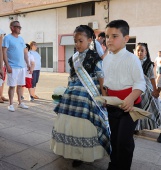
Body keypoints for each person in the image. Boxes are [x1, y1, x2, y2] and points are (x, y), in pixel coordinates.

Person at [50, 25, 111, 167]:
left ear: (90, 40)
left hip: (89, 95)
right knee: (69, 121)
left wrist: (103, 95)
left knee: (86, 123)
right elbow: (71, 76)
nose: (77, 44)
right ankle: (73, 152)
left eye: (80, 41)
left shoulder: (95, 57)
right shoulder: (73, 58)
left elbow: (101, 76)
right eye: (75, 41)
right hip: (73, 94)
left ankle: (85, 153)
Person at [103, 20, 146, 170]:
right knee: (114, 138)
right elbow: (106, 83)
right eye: (107, 36)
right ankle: (114, 164)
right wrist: (104, 96)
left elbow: (140, 84)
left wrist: (130, 98)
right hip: (113, 105)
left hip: (130, 106)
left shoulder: (132, 59)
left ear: (126, 39)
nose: (109, 40)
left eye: (114, 36)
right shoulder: (106, 59)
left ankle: (123, 167)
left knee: (124, 141)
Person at [2, 21, 29, 112]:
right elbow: (4, 52)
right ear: (12, 28)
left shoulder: (21, 39)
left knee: (20, 85)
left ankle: (20, 102)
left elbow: (25, 52)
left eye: (20, 27)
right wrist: (7, 65)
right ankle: (10, 104)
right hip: (12, 66)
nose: (19, 28)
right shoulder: (7, 38)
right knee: (12, 86)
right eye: (18, 27)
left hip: (22, 67)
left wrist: (28, 64)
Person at [135, 43, 161, 131]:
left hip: (146, 91)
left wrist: (155, 90)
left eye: (142, 50)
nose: (140, 52)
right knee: (136, 109)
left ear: (146, 52)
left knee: (144, 109)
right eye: (138, 50)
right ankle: (136, 127)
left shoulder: (149, 64)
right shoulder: (133, 62)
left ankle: (141, 127)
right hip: (135, 89)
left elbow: (152, 78)